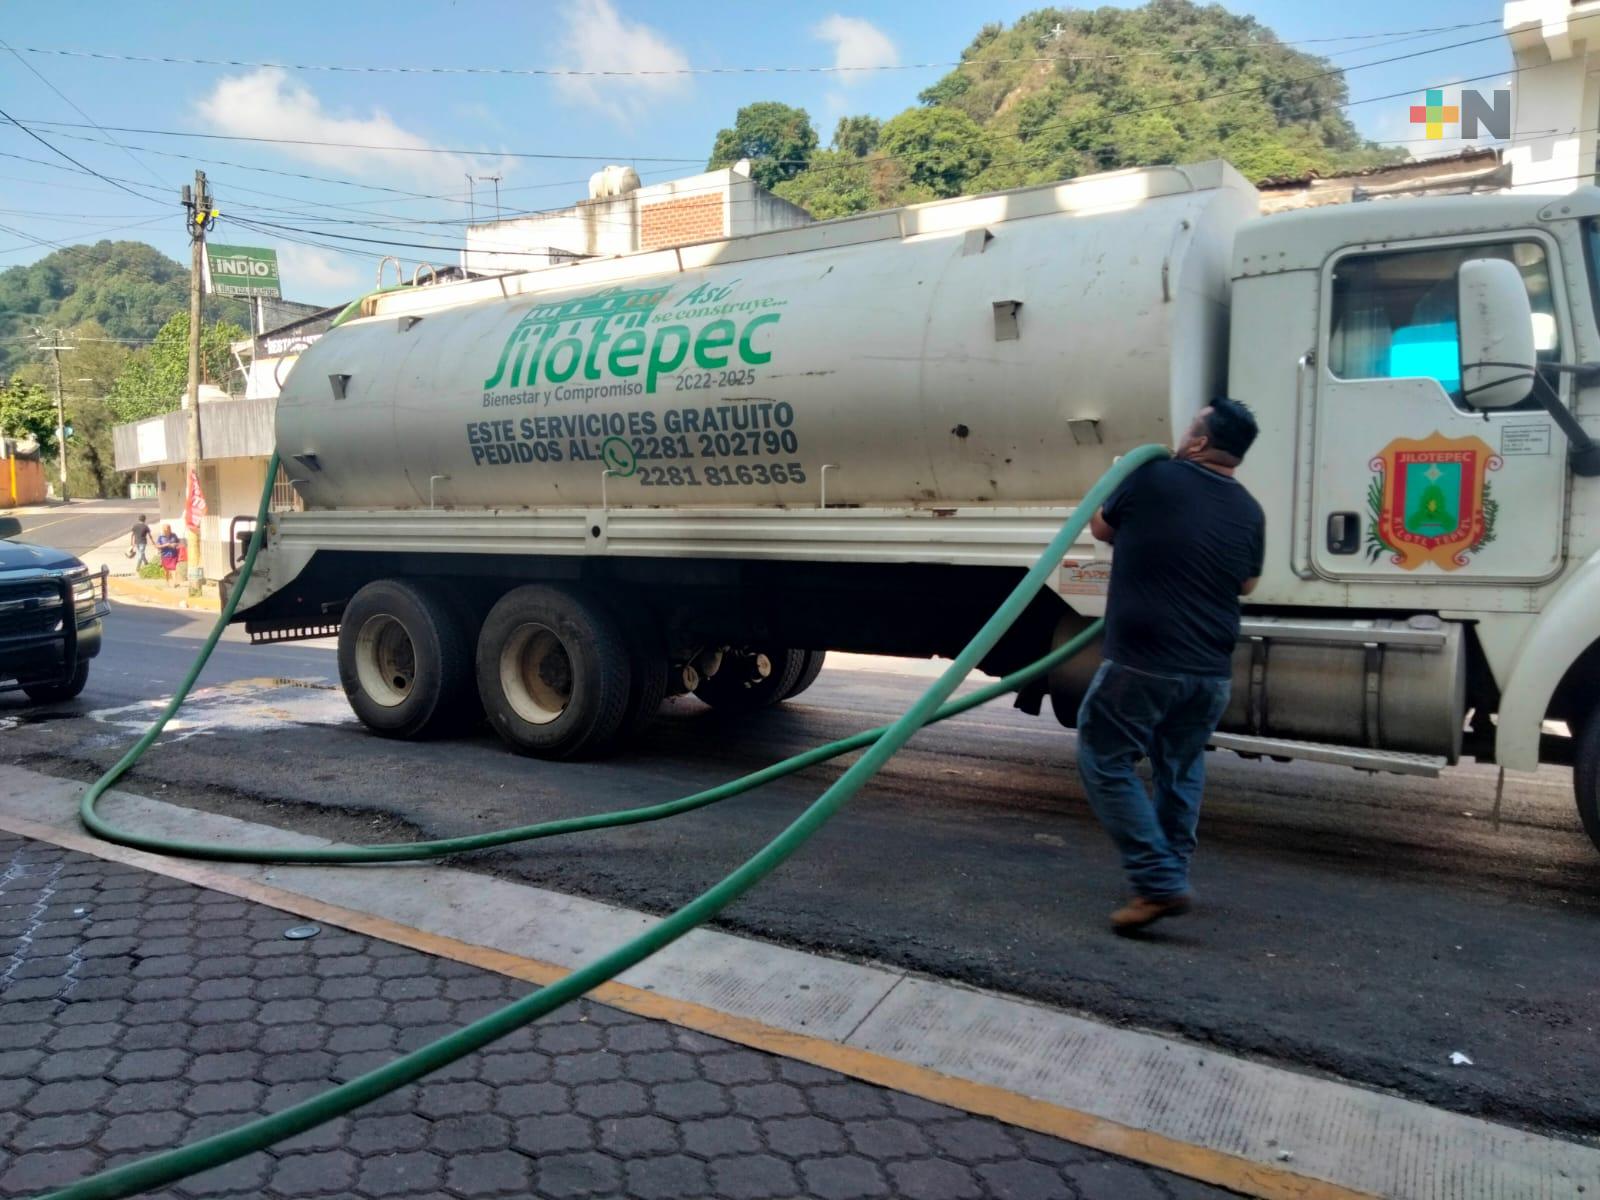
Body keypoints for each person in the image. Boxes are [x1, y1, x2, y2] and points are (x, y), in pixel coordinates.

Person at [1077, 398, 1265, 934]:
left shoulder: (1153, 477)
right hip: (1209, 670)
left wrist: (1118, 475)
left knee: (1105, 757)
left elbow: (1101, 528)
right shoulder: (1250, 509)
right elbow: (1247, 583)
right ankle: (1171, 873)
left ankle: (1157, 880)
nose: (1182, 434)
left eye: (1191, 427)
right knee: (1179, 767)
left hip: (1144, 662)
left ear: (1201, 442)